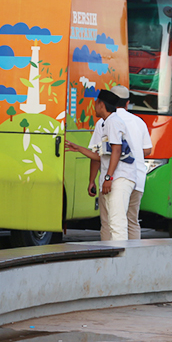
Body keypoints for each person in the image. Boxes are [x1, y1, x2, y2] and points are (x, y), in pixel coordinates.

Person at [65, 89, 136, 240]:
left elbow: (116, 150)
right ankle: (113, 259)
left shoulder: (114, 122)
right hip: (112, 178)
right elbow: (98, 156)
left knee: (117, 223)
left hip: (121, 177)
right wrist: (78, 148)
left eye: (96, 103)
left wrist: (108, 178)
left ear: (101, 104)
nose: (94, 106)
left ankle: (122, 260)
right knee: (110, 223)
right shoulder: (104, 123)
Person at [110, 85, 153, 240]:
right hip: (138, 177)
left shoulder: (108, 120)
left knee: (115, 221)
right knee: (132, 220)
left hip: (118, 177)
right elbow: (148, 150)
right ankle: (135, 256)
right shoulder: (138, 121)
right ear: (127, 103)